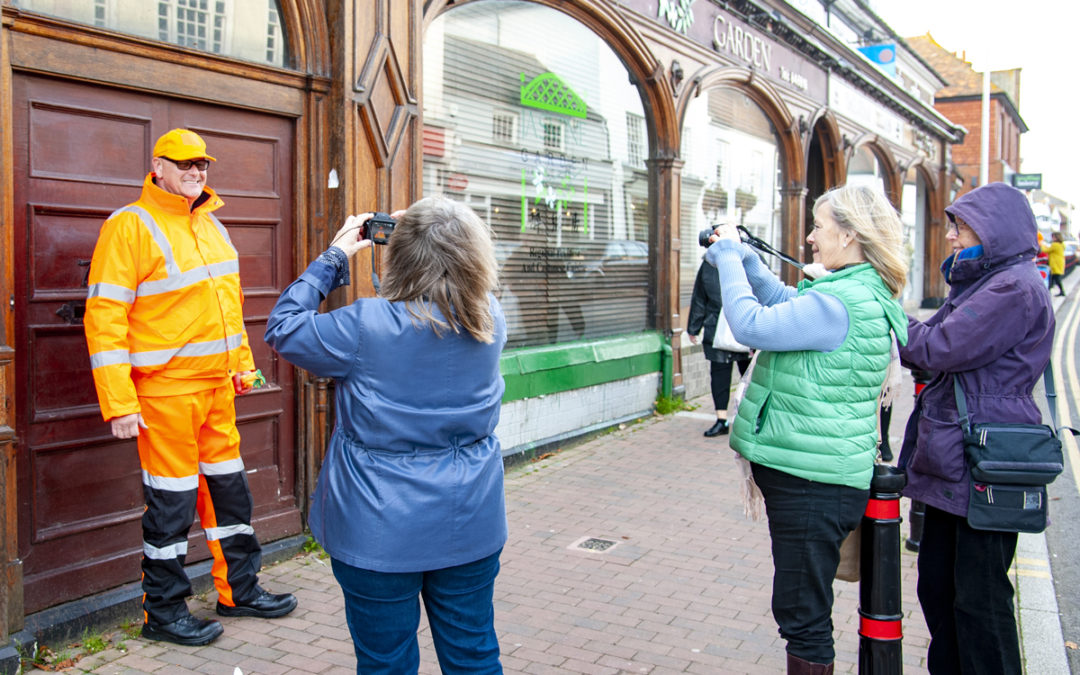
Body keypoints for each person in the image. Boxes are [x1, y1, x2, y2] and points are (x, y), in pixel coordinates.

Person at [264, 197, 507, 673]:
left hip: (377, 525)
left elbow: (284, 327)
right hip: (469, 517)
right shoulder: (489, 318)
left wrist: (335, 256)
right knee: (474, 655)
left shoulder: (365, 326)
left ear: (403, 254)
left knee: (384, 663)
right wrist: (430, 227)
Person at [84, 129, 297, 646]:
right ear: (157, 167)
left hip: (217, 390)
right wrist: (119, 403)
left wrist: (244, 369)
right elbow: (105, 316)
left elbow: (229, 309)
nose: (195, 172)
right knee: (172, 504)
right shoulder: (130, 225)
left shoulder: (212, 225)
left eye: (201, 164)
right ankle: (163, 614)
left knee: (230, 495)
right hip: (166, 394)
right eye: (184, 164)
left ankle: (239, 590)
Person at [705, 185, 908, 675]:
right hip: (818, 476)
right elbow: (785, 302)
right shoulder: (851, 292)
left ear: (850, 235)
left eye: (819, 226)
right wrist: (749, 260)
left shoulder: (840, 302)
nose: (811, 237)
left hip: (813, 484)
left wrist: (728, 255)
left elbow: (751, 324)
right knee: (804, 610)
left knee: (802, 617)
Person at [897, 182, 1053, 674]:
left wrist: (882, 308)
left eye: (961, 228)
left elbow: (935, 348)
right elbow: (932, 341)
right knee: (939, 585)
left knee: (979, 599)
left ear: (993, 231)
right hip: (961, 455)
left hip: (984, 457)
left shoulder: (1011, 289)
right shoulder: (986, 283)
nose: (951, 237)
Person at [686, 257, 752, 436]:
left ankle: (752, 420)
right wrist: (694, 327)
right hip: (716, 329)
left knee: (751, 378)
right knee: (719, 376)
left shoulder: (749, 258)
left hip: (745, 327)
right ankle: (721, 420)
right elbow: (700, 297)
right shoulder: (709, 264)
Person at [1042, 230, 1067, 296]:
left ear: (1056, 237)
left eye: (1053, 237)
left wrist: (1041, 244)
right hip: (1059, 263)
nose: (1052, 238)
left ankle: (1061, 292)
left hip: (1055, 264)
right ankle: (1049, 292)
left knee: (1056, 278)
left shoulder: (1055, 245)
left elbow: (1046, 250)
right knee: (1053, 278)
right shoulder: (1061, 244)